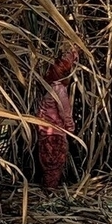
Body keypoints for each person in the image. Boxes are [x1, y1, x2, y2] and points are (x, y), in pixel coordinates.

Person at [36, 47, 79, 189]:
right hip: (56, 134)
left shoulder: (48, 88)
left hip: (44, 133)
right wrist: (71, 129)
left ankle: (48, 190)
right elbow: (64, 111)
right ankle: (50, 192)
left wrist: (73, 52)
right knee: (54, 166)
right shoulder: (59, 89)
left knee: (48, 166)